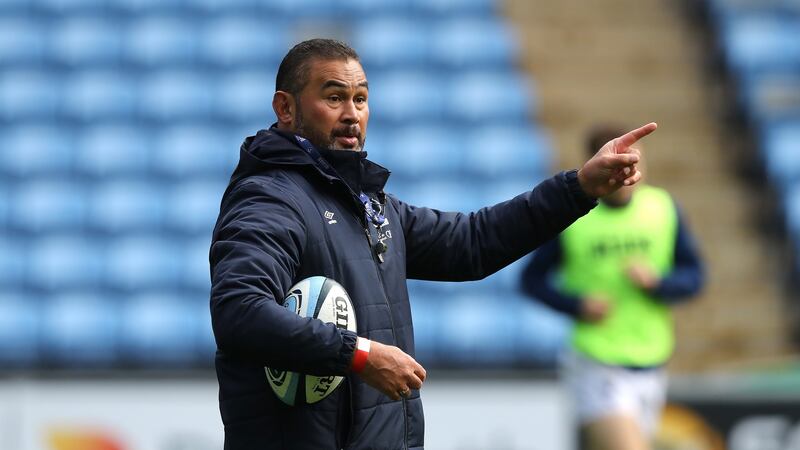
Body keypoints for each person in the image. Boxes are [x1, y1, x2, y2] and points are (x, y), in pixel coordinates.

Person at [209, 38, 656, 450]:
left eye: (360, 99)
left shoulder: (370, 206)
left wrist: (578, 189)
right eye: (333, 97)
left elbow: (473, 242)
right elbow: (239, 310)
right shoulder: (270, 197)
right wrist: (360, 354)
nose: (352, 114)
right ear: (286, 109)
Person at [520, 124, 704, 450]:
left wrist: (659, 284)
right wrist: (577, 305)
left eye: (637, 162)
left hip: (652, 360)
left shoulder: (662, 208)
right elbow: (531, 280)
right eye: (622, 164)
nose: (631, 172)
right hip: (597, 363)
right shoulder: (573, 218)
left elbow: (694, 276)